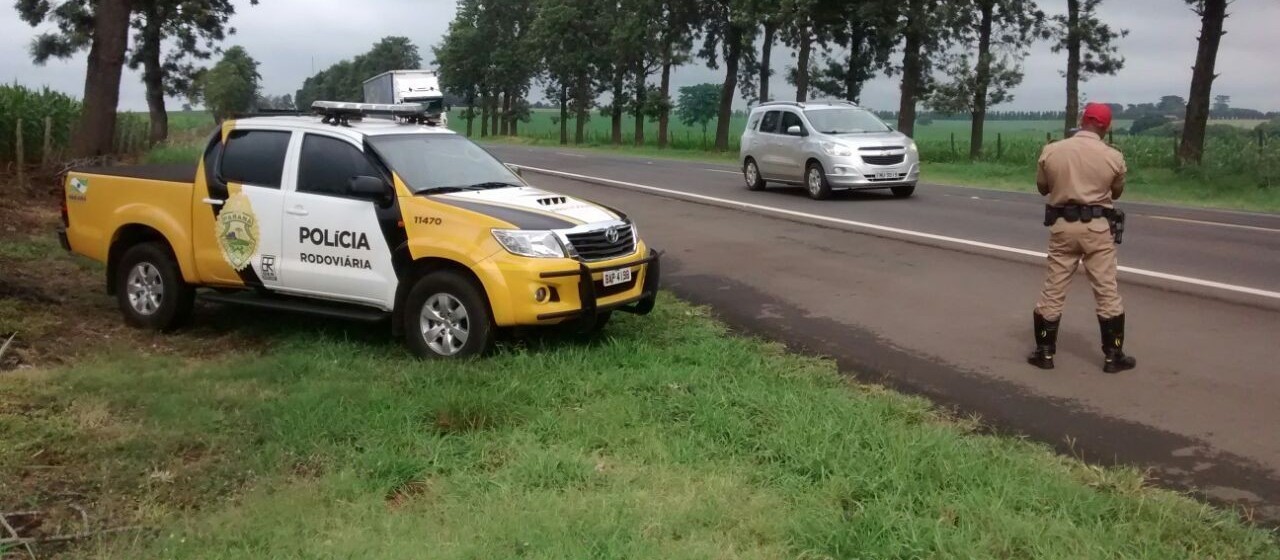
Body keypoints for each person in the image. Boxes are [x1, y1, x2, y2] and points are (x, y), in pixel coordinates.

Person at [1028, 103, 1136, 373]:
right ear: (1106, 126)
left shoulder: (1052, 150)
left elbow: (1042, 187)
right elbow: (1116, 192)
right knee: (1107, 291)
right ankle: (1113, 355)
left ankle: (1044, 352)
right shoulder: (1113, 156)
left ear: (1081, 120)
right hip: (1098, 229)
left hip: (1063, 227)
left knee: (1053, 290)